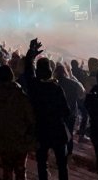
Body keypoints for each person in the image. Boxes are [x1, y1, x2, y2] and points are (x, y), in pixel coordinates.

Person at [24, 39, 70, 180]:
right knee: (62, 164)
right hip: (57, 130)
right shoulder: (56, 89)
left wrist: (31, 54)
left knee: (41, 163)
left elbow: (28, 71)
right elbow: (66, 111)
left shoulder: (34, 86)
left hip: (40, 130)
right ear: (50, 71)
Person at [0, 65, 36, 180]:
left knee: (7, 169)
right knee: (20, 169)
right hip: (19, 139)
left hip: (0, 137)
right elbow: (31, 117)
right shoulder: (20, 95)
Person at [54, 63, 85, 157]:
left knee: (58, 132)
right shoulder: (74, 83)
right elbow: (81, 95)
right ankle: (69, 153)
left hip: (59, 113)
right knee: (69, 134)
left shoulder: (56, 83)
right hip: (71, 112)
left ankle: (59, 152)